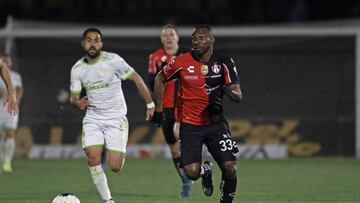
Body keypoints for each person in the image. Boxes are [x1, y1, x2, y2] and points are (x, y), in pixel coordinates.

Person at [151, 25, 242, 203]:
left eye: (201, 38)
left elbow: (238, 94)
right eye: (194, 39)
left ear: (211, 40)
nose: (196, 42)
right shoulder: (181, 61)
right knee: (191, 173)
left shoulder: (224, 61)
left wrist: (226, 90)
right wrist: (159, 109)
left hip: (215, 123)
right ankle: (204, 171)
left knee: (230, 167)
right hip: (190, 125)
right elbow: (160, 78)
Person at [70, 27, 155, 203]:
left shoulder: (113, 60)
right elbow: (74, 98)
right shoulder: (77, 69)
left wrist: (150, 103)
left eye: (96, 40)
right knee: (93, 158)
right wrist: (77, 102)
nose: (92, 43)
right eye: (88, 40)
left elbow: (137, 79)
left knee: (115, 166)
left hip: (116, 118)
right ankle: (108, 200)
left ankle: (112, 157)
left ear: (101, 43)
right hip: (93, 117)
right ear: (83, 43)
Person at [148, 24, 192, 198]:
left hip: (186, 104)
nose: (168, 37)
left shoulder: (188, 55)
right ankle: (186, 181)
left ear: (177, 38)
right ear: (161, 39)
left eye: (171, 34)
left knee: (179, 133)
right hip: (165, 108)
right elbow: (152, 84)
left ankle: (195, 165)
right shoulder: (155, 57)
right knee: (174, 149)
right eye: (165, 35)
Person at [0, 55, 23, 172]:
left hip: (10, 107)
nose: (6, 62)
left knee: (10, 133)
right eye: (4, 60)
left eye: (8, 60)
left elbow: (19, 89)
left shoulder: (15, 76)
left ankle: (7, 161)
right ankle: (1, 160)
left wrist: (15, 100)